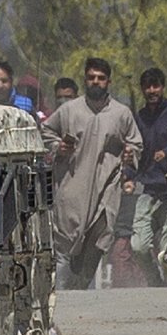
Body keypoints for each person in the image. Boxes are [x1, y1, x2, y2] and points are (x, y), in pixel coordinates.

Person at [40, 57, 142, 289]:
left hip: (107, 188)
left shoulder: (121, 113)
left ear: (108, 81)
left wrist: (129, 154)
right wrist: (59, 147)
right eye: (91, 78)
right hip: (73, 187)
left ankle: (80, 289)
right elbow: (46, 132)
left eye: (101, 78)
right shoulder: (69, 110)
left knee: (101, 236)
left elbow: (136, 144)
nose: (96, 82)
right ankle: (61, 295)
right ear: (85, 80)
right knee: (67, 244)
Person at [129, 67, 167, 290]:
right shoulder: (140, 118)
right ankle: (154, 280)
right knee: (139, 246)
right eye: (147, 86)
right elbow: (135, 152)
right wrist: (129, 176)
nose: (152, 90)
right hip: (148, 188)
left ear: (163, 87)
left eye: (156, 86)